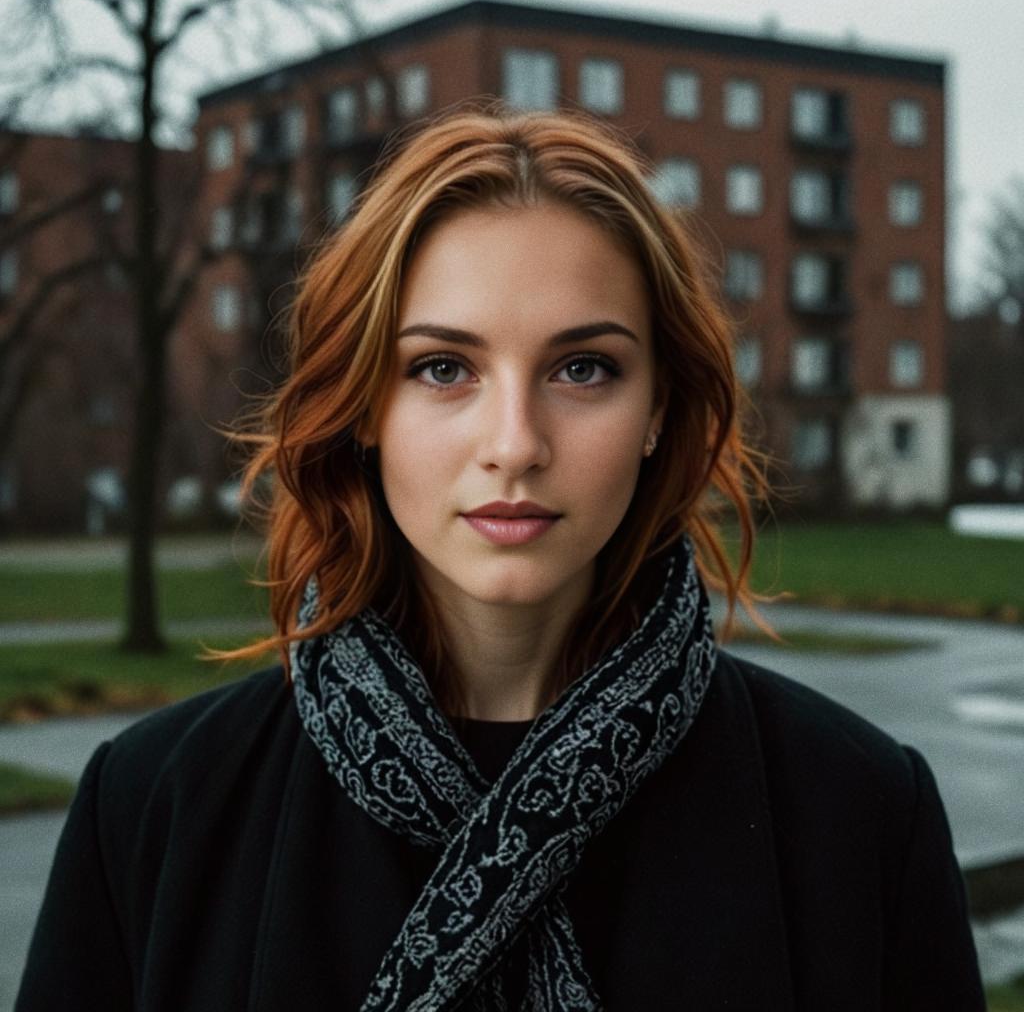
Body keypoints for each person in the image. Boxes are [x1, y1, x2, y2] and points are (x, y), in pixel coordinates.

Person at [17, 104, 984, 1011]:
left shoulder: (859, 815)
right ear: (365, 409)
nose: (514, 443)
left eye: (583, 368)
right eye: (444, 369)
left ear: (657, 410)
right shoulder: (152, 811)